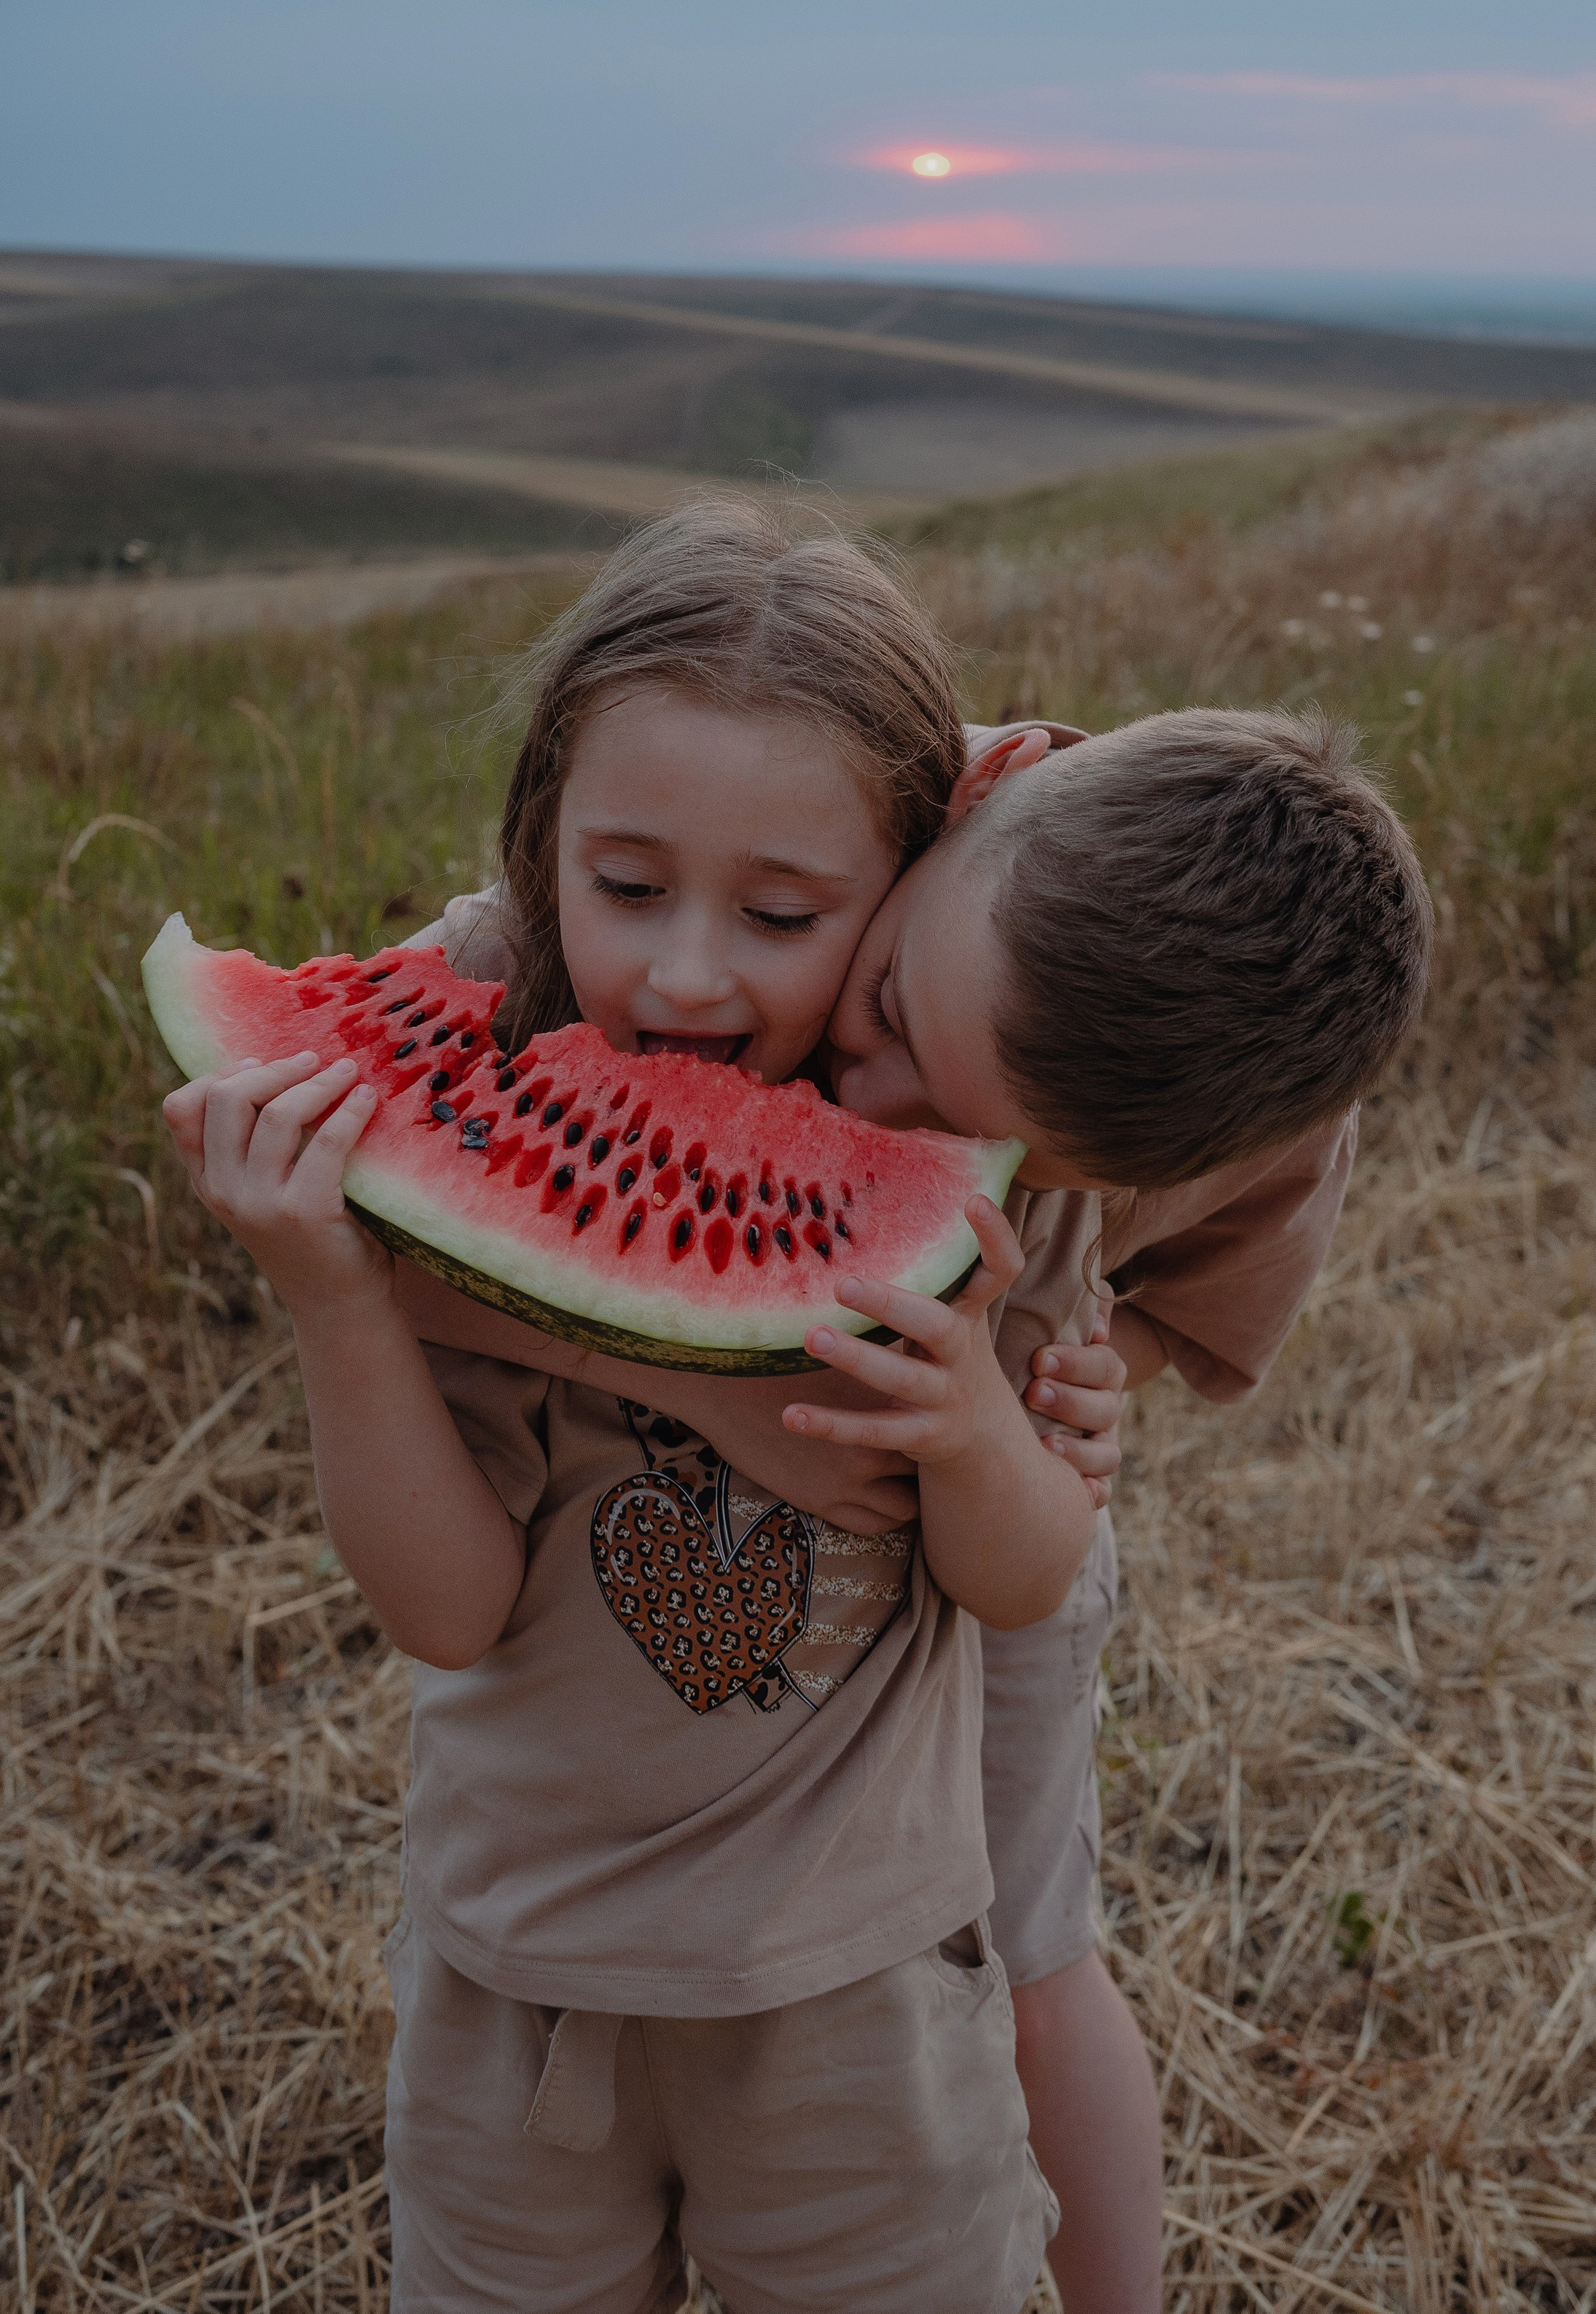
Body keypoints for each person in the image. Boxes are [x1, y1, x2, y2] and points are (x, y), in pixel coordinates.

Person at [406, 648, 1431, 2313]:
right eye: (883, 1018)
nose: (878, 1108)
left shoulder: (1255, 1106)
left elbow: (1206, 1293)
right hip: (708, 1524)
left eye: (972, 1135)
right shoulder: (830, 801)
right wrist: (720, 1396)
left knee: (1023, 1954)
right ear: (966, 819)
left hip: (1001, 1495)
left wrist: (1095, 1385)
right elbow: (431, 1207)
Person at [163, 506, 1106, 2314]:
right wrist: (341, 1302)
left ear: (902, 893)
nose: (684, 975)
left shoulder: (974, 1156)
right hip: (515, 1986)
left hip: (861, 1995)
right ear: (541, 856)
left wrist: (975, 1418)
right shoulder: (482, 1089)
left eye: (778, 916)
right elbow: (443, 1611)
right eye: (623, 888)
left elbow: (1023, 1577)